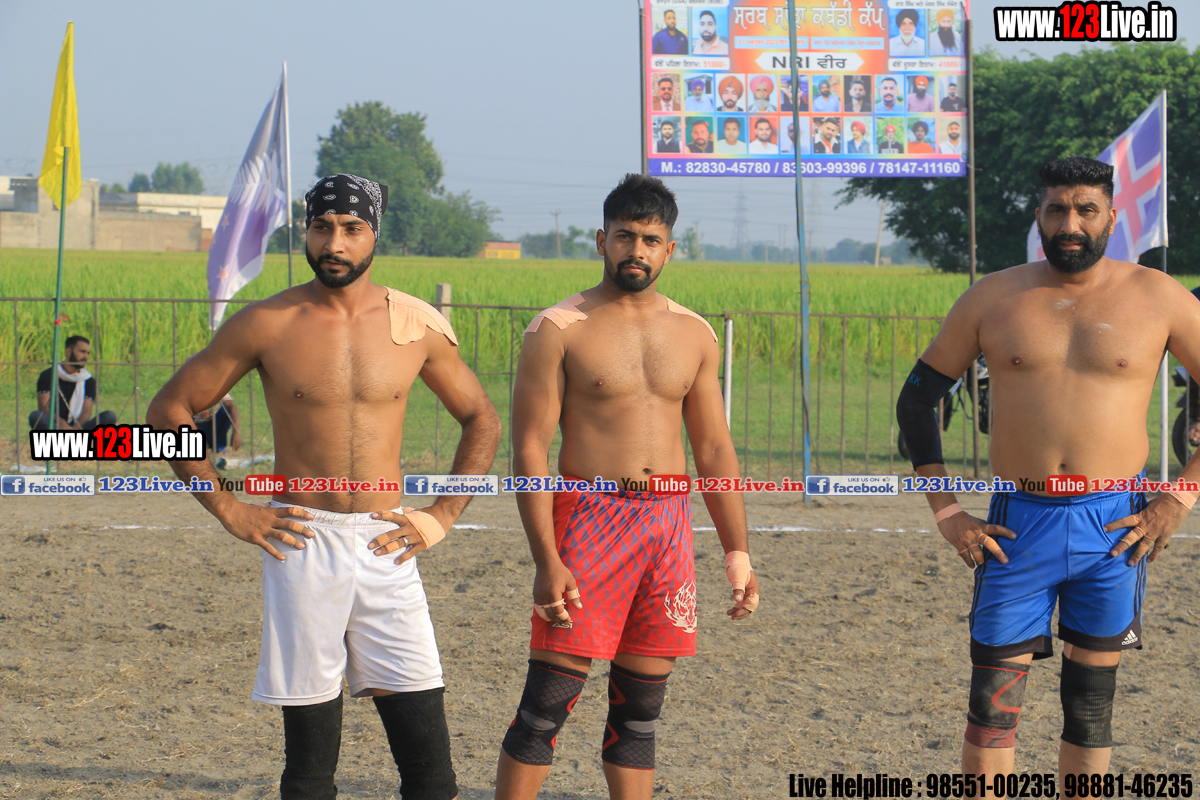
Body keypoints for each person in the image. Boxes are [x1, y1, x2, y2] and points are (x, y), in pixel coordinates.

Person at [147, 173, 502, 800]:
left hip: (388, 543)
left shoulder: (415, 323)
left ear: (374, 236)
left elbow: (482, 417)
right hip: (303, 539)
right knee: (309, 771)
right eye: (321, 227)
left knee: (431, 772)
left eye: (351, 229)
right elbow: (168, 409)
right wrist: (228, 507)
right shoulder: (266, 322)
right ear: (306, 232)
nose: (334, 243)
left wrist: (444, 513)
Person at [895, 156, 1200, 790]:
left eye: (1086, 209)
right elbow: (916, 400)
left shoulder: (1159, 297)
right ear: (1038, 215)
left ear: (1111, 216)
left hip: (1114, 528)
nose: (1070, 224)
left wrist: (1178, 499)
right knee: (991, 711)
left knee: (1089, 711)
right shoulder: (993, 297)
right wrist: (946, 510)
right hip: (1018, 527)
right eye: (1057, 209)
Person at [493, 173, 760, 800]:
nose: (636, 250)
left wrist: (738, 553)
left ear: (670, 249)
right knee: (547, 704)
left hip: (667, 526)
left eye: (650, 240)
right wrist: (546, 559)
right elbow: (530, 448)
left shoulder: (695, 333)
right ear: (601, 240)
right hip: (588, 520)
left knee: (640, 712)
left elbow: (714, 449)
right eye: (624, 237)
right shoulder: (558, 328)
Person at [30, 335, 117, 432]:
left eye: (88, 353)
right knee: (35, 416)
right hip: (55, 425)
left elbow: (86, 411)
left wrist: (74, 429)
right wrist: (62, 423)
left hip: (78, 428)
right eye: (82, 352)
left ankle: (73, 438)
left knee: (109, 416)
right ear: (68, 351)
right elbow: (44, 407)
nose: (86, 356)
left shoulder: (88, 380)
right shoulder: (49, 375)